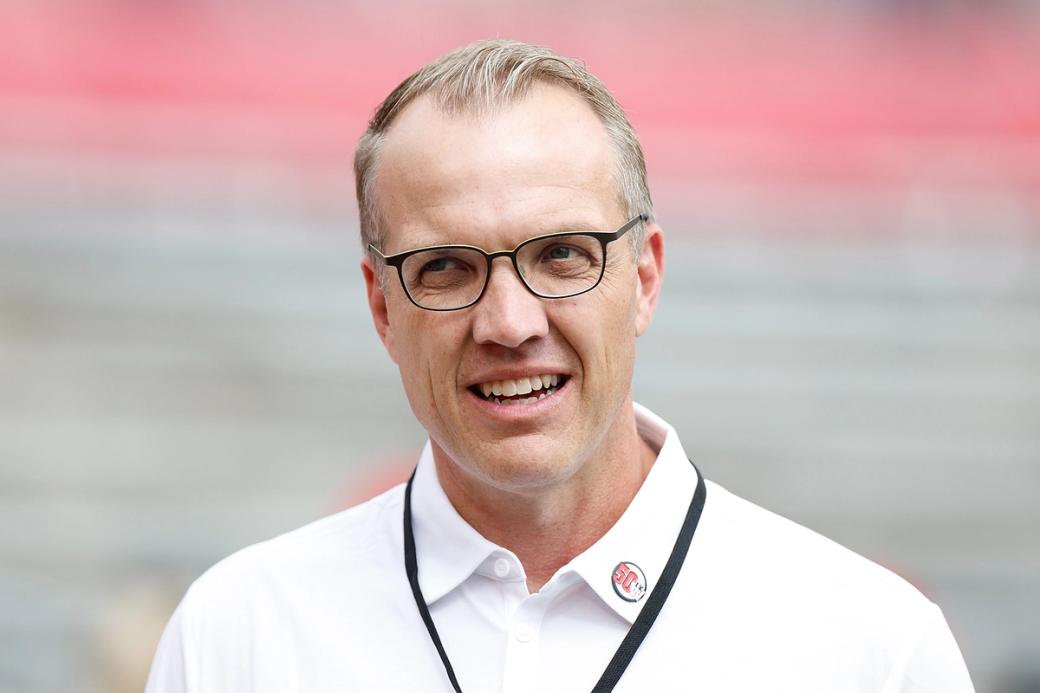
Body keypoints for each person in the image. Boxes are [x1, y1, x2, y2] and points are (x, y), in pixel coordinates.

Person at [145, 39, 974, 692]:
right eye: (445, 268)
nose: (508, 322)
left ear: (644, 278)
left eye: (563, 255)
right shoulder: (238, 635)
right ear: (381, 307)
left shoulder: (871, 650)